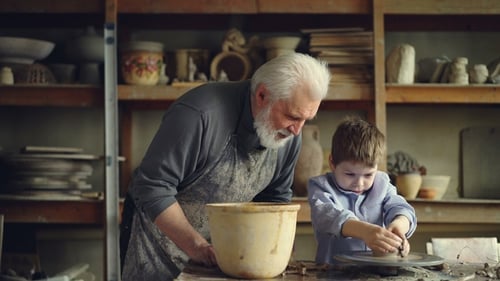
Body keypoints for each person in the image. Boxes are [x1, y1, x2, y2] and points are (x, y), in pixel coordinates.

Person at [120, 53, 331, 280]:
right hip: (156, 245)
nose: (297, 131)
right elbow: (152, 187)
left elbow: (274, 201)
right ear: (261, 95)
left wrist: (271, 260)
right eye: (292, 116)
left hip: (217, 250)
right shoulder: (199, 114)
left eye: (306, 120)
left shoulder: (289, 135)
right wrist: (197, 247)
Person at [307, 116, 417, 265]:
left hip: (378, 271)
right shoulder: (320, 186)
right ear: (332, 163)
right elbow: (328, 216)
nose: (359, 183)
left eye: (368, 174)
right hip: (332, 272)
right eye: (350, 174)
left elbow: (401, 208)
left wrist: (399, 227)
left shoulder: (382, 184)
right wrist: (366, 232)